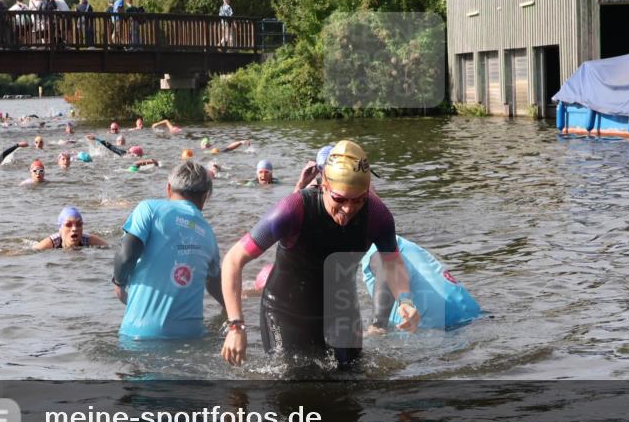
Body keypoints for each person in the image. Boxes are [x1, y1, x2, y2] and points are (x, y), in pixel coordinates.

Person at [219, 140, 420, 368]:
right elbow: (233, 260)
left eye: (358, 200)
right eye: (340, 199)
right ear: (324, 185)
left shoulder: (377, 215)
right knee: (294, 386)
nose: (348, 209)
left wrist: (405, 300)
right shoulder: (293, 210)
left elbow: (392, 262)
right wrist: (236, 325)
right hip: (287, 310)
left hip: (342, 310)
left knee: (353, 381)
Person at [112, 161, 225, 339]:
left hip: (140, 335)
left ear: (168, 188)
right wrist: (230, 310)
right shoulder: (208, 232)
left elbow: (126, 255)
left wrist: (119, 283)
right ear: (205, 197)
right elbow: (214, 282)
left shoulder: (148, 209)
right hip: (191, 337)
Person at [34, 206, 108, 250]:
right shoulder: (51, 242)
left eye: (79, 224)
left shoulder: (88, 239)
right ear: (60, 228)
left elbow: (110, 248)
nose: (74, 229)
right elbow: (33, 250)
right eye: (68, 225)